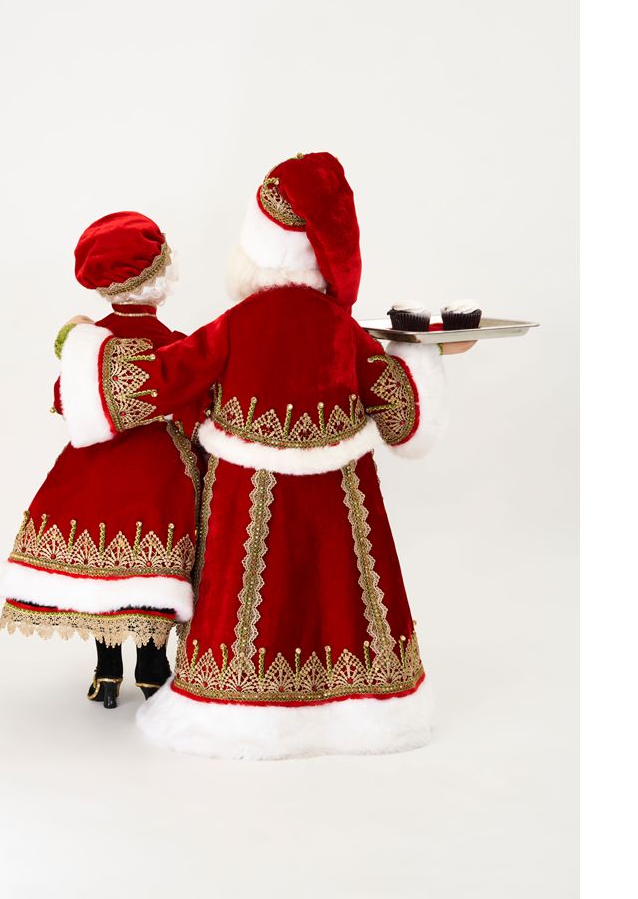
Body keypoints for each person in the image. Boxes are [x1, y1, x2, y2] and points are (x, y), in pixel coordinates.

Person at [58, 152, 473, 756]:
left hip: (247, 499)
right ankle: (357, 707)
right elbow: (402, 413)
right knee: (341, 589)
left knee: (248, 597)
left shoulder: (237, 323)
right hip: (337, 497)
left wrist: (83, 347)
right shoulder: (343, 330)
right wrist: (424, 354)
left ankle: (240, 708)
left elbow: (161, 378)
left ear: (259, 249)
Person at [0, 212, 201, 709]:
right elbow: (195, 401)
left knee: (101, 573)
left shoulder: (87, 345)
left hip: (93, 467)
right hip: (159, 469)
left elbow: (63, 399)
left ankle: (106, 671)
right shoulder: (174, 342)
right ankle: (152, 669)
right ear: (160, 278)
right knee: (153, 570)